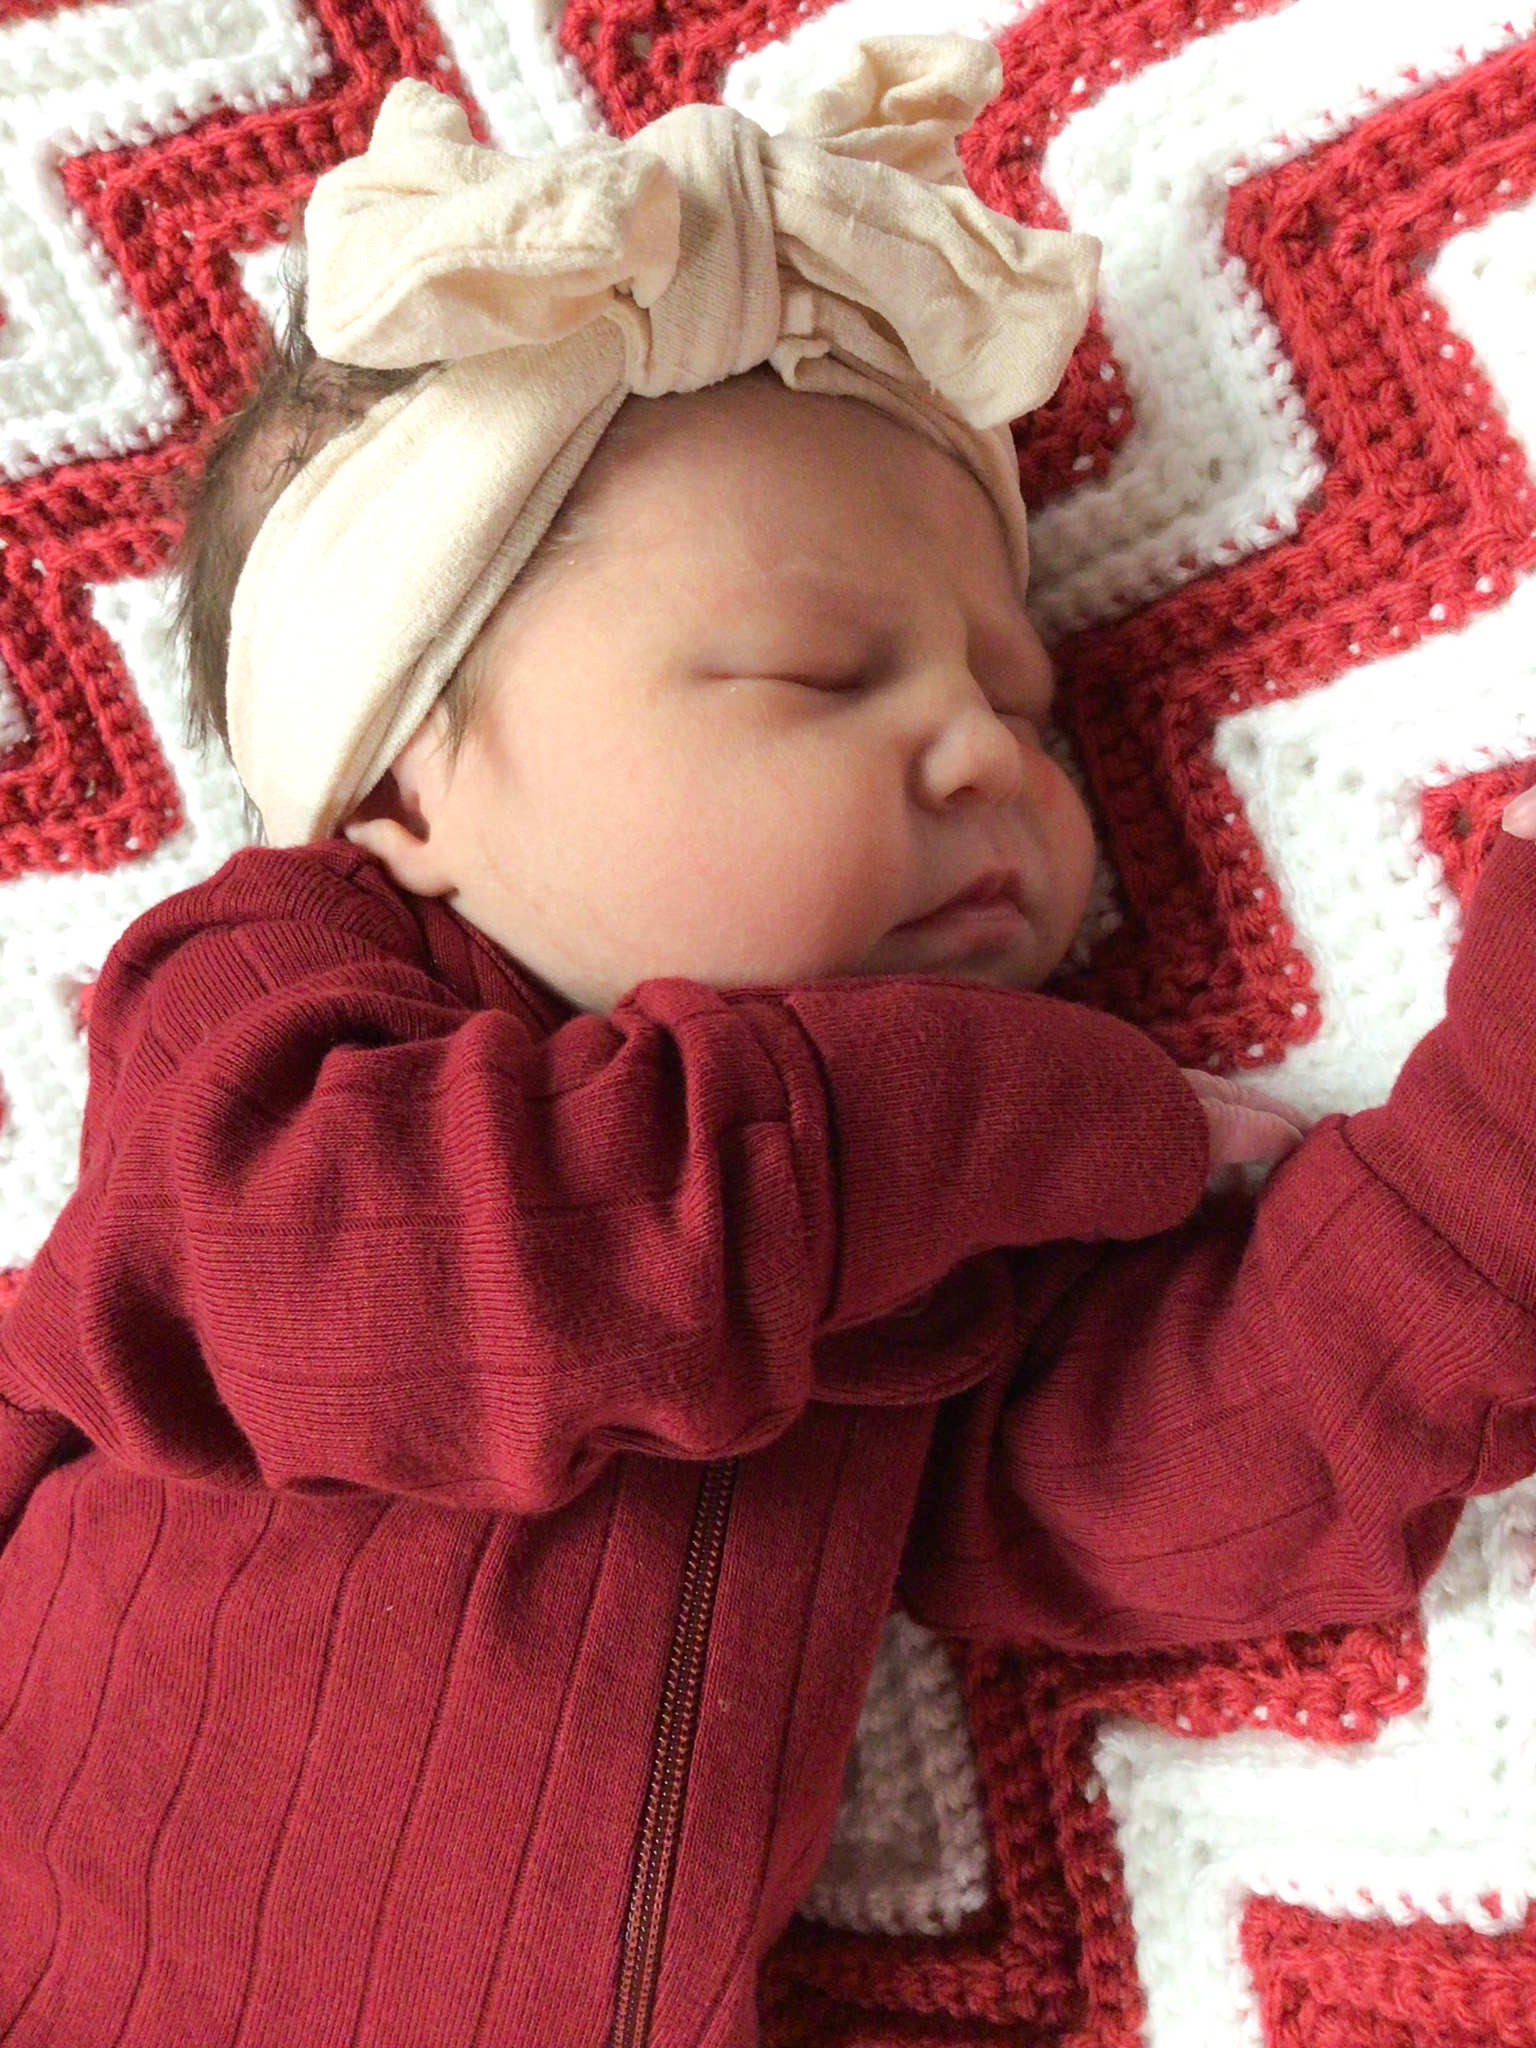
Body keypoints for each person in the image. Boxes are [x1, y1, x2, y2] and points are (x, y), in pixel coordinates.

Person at [1, 34, 1534, 2048]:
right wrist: (1054, 1110)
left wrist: (1487, 1168)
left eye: (1025, 704)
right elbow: (399, 1290)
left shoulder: (912, 1259)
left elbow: (1175, 1469)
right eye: (819, 672)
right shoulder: (274, 1026)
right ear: (401, 789)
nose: (985, 751)